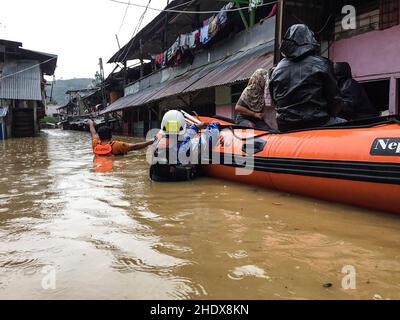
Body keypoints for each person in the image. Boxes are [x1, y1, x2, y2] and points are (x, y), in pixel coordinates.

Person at [269, 24, 344, 132]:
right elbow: (335, 99)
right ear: (309, 39)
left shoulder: (276, 70)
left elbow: (274, 100)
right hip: (318, 122)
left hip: (285, 125)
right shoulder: (322, 63)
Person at [150, 110, 220, 182]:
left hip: (158, 181)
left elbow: (183, 138)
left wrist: (195, 127)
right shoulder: (189, 146)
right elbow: (211, 138)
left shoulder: (157, 142)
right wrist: (215, 124)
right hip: (179, 184)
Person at [87, 119, 153, 156]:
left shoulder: (95, 143)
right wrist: (151, 142)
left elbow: (93, 132)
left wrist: (90, 123)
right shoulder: (117, 145)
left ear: (99, 137)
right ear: (111, 135)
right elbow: (135, 146)